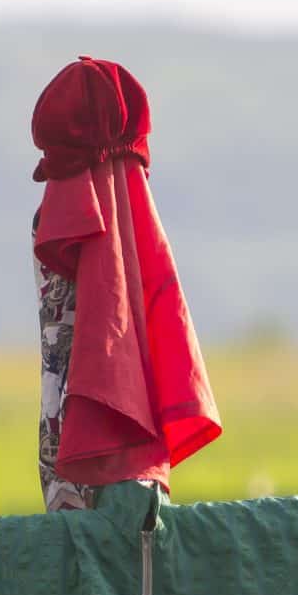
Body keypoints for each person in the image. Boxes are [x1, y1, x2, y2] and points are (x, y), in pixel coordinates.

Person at [26, 57, 219, 513]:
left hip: (63, 435)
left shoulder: (56, 214)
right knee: (139, 572)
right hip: (118, 448)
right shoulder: (130, 215)